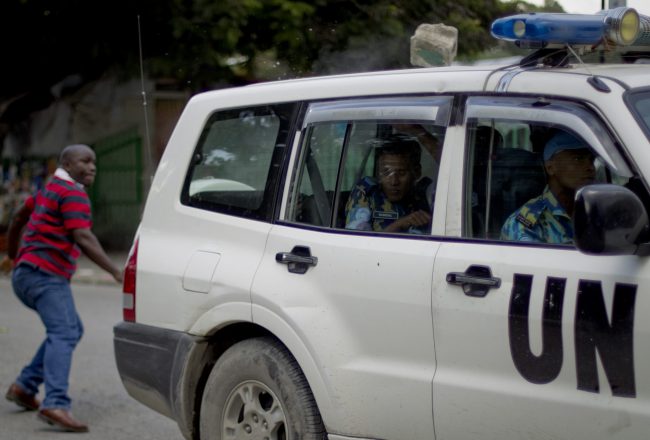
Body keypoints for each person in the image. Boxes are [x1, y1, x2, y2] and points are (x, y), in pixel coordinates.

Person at [3, 144, 123, 432]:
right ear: (67, 165)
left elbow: (19, 217)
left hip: (26, 275)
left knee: (71, 329)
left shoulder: (48, 190)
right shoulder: (73, 194)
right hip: (45, 276)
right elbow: (83, 236)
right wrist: (115, 271)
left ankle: (25, 386)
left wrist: (11, 254)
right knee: (64, 332)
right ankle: (55, 403)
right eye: (85, 161)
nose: (92, 166)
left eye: (94, 161)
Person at [500, 131, 596, 243]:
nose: (590, 167)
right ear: (550, 167)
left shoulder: (596, 211)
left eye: (591, 160)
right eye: (577, 159)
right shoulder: (529, 222)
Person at [345, 133, 433, 233]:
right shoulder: (367, 192)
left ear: (417, 172)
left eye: (401, 173)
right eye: (386, 173)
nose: (394, 181)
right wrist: (399, 225)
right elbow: (357, 243)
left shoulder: (427, 195)